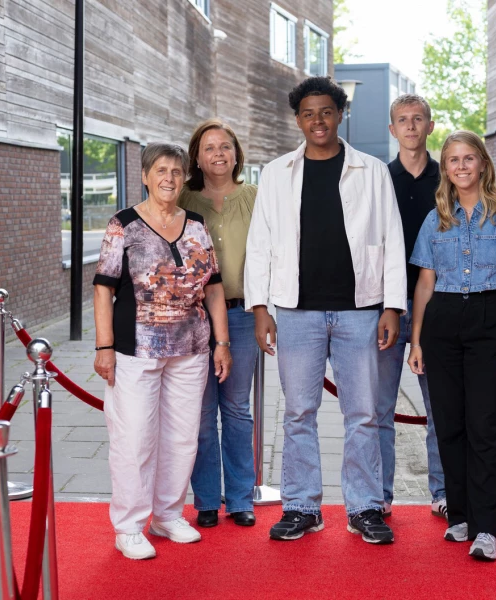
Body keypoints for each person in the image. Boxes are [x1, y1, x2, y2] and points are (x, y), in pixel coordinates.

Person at [245, 76, 407, 545]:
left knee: (364, 414)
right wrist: (260, 307)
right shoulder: (276, 173)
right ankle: (301, 506)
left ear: (340, 115)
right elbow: (259, 244)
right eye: (308, 113)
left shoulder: (371, 170)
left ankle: (364, 507)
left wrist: (392, 306)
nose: (318, 121)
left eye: (326, 112)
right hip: (296, 312)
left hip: (361, 309)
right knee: (298, 412)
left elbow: (392, 240)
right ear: (298, 120)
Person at [93, 142, 232, 560]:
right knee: (134, 437)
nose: (169, 178)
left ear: (183, 177)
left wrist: (221, 343)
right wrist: (104, 347)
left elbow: (214, 289)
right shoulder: (124, 225)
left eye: (175, 171)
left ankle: (168, 515)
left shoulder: (196, 224)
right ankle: (129, 526)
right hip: (135, 349)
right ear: (145, 176)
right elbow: (103, 290)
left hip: (192, 348)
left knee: (182, 437)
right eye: (160, 170)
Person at [408, 131, 496, 561]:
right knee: (448, 425)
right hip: (441, 323)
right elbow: (424, 284)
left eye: (468, 158)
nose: (461, 167)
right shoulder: (436, 219)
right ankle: (460, 516)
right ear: (445, 168)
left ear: (482, 162)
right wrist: (416, 340)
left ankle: (487, 529)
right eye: (453, 160)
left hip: (487, 319)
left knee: (483, 426)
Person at [178, 119, 258, 528]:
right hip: (193, 318)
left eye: (225, 146)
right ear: (197, 156)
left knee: (238, 410)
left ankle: (241, 497)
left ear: (236, 153)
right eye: (209, 148)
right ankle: (207, 499)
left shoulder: (255, 197)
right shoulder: (182, 198)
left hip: (241, 315)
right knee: (201, 412)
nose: (218, 154)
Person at [378, 94, 446, 519]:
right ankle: (380, 497)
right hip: (385, 306)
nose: (410, 126)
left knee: (440, 408)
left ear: (429, 126)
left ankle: (443, 492)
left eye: (418, 119)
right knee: (379, 408)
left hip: (435, 306)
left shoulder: (449, 179)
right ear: (392, 129)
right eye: (402, 119)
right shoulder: (379, 180)